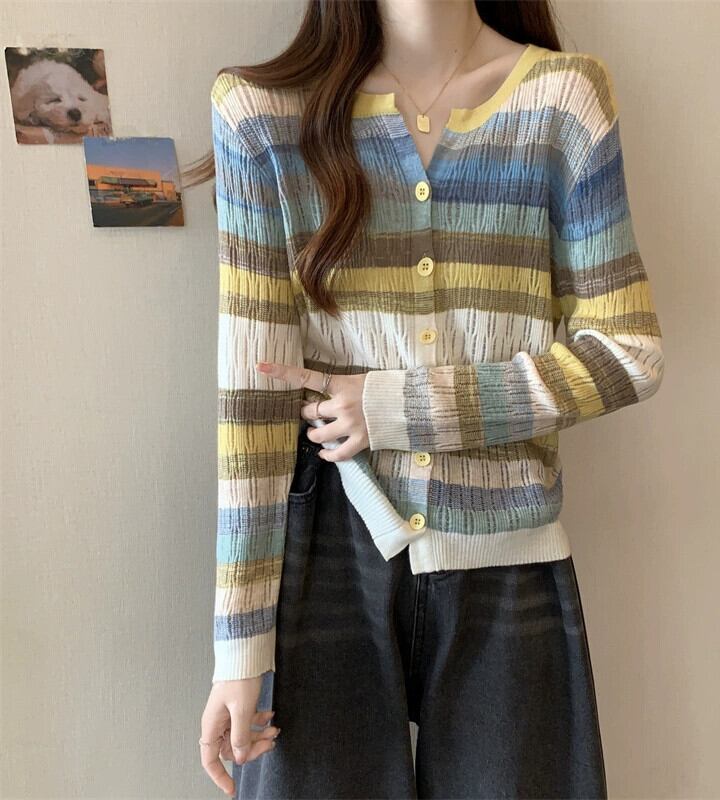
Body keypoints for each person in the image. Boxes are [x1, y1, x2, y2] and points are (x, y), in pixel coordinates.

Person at [188, 0, 665, 797]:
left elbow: (629, 351)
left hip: (505, 548)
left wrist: (402, 408)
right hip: (326, 551)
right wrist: (238, 648)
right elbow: (253, 400)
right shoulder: (261, 115)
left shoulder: (562, 100)